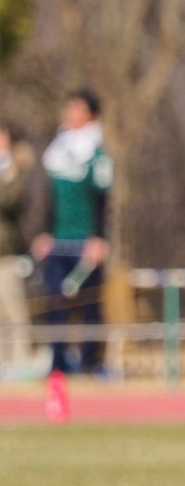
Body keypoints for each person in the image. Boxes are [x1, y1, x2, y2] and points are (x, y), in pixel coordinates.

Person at [32, 90, 113, 375]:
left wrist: (100, 238)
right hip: (58, 242)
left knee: (91, 306)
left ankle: (92, 362)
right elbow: (48, 199)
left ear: (92, 115)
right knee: (55, 303)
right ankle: (57, 364)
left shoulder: (97, 155)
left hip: (86, 243)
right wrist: (44, 233)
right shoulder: (55, 152)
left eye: (78, 110)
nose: (71, 114)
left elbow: (103, 201)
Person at [0, 123, 34, 372]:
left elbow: (12, 203)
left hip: (7, 252)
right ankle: (3, 361)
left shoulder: (16, 171)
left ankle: (21, 362)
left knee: (14, 309)